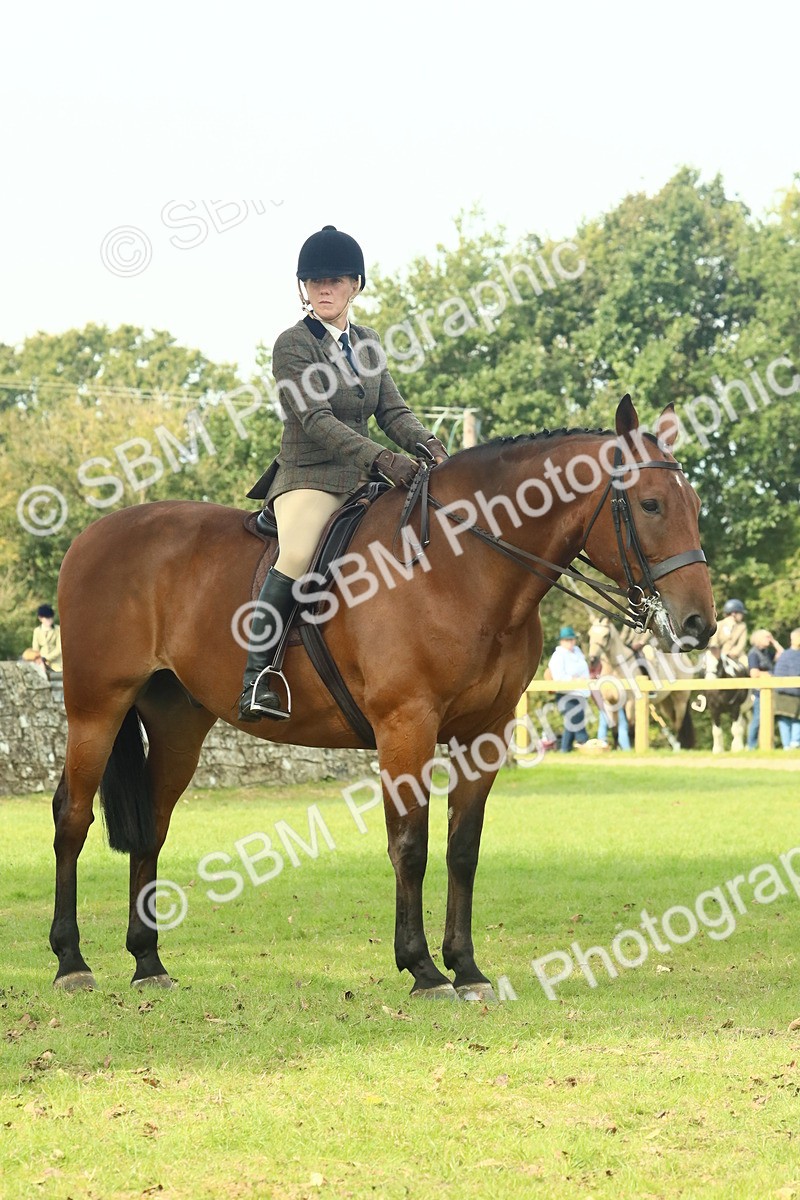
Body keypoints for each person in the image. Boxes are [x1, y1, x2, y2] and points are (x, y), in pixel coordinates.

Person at [238, 225, 448, 722]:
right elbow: (315, 420)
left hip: (364, 481)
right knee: (298, 552)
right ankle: (258, 676)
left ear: (355, 284)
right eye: (314, 282)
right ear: (304, 288)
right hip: (310, 477)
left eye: (334, 280)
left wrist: (433, 449)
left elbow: (394, 412)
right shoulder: (293, 345)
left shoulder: (369, 342)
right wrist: (382, 459)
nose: (323, 290)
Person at [544, 626, 590, 752]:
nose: (570, 642)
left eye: (572, 639)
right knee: (576, 717)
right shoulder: (558, 656)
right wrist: (574, 679)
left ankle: (565, 749)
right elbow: (559, 676)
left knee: (570, 723)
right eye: (567, 640)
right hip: (566, 694)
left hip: (581, 692)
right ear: (561, 641)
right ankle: (584, 741)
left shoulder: (578, 651)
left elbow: (584, 670)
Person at [746, 628, 781, 750]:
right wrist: (771, 675)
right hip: (759, 691)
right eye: (767, 637)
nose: (769, 639)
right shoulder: (753, 653)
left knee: (767, 718)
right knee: (757, 719)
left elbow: (782, 655)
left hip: (769, 690)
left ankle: (764, 745)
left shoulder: (767, 652)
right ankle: (751, 745)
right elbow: (754, 673)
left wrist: (775, 642)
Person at [705, 598, 748, 676]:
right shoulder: (719, 624)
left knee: (747, 664)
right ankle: (710, 685)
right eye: (740, 613)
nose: (742, 615)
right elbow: (714, 641)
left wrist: (734, 652)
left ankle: (751, 686)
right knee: (711, 667)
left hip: (735, 654)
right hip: (717, 652)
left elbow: (742, 643)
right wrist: (719, 652)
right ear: (734, 613)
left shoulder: (742, 626)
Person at [773, 628, 800, 750]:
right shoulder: (789, 655)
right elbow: (791, 673)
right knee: (788, 719)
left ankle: (791, 743)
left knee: (792, 719)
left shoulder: (787, 654)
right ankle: (790, 743)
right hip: (787, 693)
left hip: (791, 693)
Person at [21, 604, 63, 678]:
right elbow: (35, 649)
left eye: (50, 618)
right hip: (41, 662)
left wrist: (46, 658)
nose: (49, 620)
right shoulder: (37, 631)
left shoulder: (58, 630)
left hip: (56, 664)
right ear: (40, 618)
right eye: (46, 618)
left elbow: (59, 649)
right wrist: (39, 659)